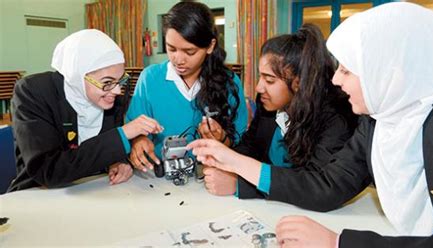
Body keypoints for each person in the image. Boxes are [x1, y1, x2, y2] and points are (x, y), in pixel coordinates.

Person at [189, 2, 433, 247]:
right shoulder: (377, 121)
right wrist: (234, 159)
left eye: (347, 70)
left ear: (388, 73)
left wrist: (337, 242)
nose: (336, 80)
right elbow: (329, 185)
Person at [191, 24, 358, 201]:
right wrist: (224, 157)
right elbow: (251, 146)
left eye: (269, 80)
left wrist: (240, 185)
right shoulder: (268, 103)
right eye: (260, 76)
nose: (258, 87)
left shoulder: (336, 118)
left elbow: (316, 184)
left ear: (299, 82)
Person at [8, 29, 162, 192]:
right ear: (78, 75)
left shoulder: (110, 97)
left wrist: (120, 163)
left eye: (120, 80)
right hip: (39, 194)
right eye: (107, 82)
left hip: (96, 189)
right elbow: (49, 171)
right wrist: (122, 135)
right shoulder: (34, 92)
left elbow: (107, 150)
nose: (117, 91)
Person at [126, 1, 247, 172]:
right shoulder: (150, 79)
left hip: (211, 176)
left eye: (190, 52)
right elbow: (133, 126)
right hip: (160, 179)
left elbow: (239, 138)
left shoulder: (229, 82)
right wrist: (138, 140)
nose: (179, 60)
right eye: (171, 49)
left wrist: (222, 139)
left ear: (210, 46)